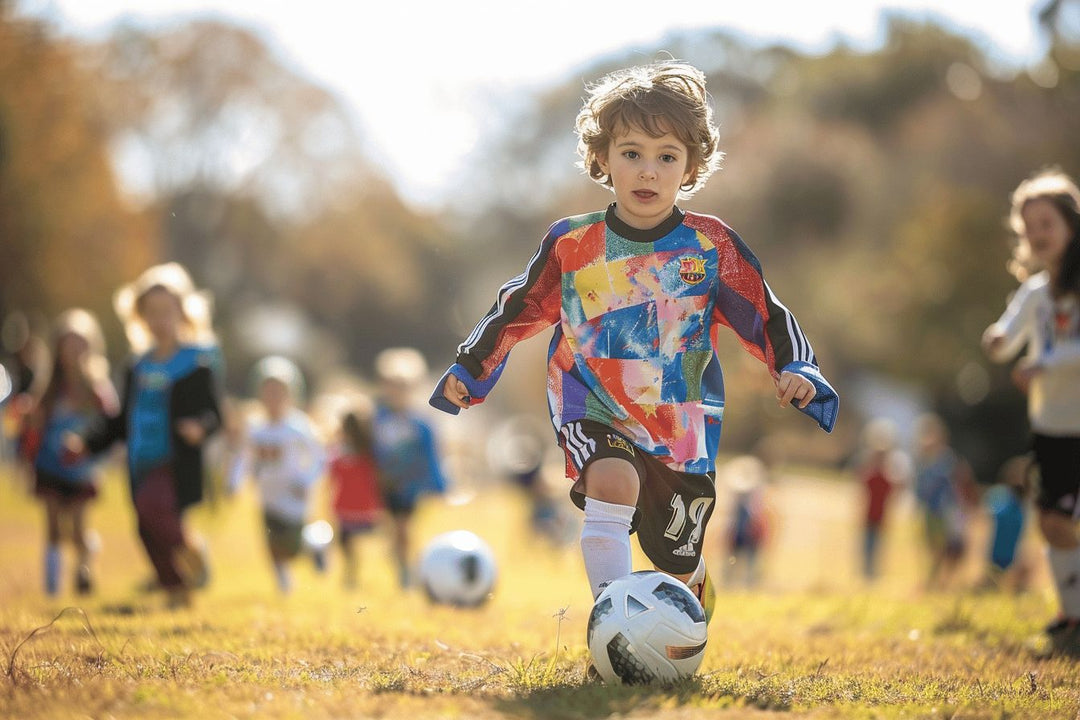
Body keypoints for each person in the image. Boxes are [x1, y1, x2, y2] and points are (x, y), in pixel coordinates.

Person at [430, 61, 838, 620]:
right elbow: (517, 307)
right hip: (590, 402)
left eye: (666, 156)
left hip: (679, 426)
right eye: (631, 153)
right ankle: (614, 623)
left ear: (691, 165)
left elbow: (765, 312)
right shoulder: (572, 244)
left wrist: (798, 368)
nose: (648, 171)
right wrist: (471, 368)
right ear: (602, 158)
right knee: (611, 480)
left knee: (676, 556)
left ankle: (689, 589)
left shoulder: (710, 246)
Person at [66, 263, 223, 609]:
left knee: (156, 508)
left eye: (167, 312)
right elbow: (119, 420)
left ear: (183, 312)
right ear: (139, 317)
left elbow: (215, 413)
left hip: (176, 459)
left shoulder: (196, 363)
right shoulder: (136, 367)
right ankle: (176, 588)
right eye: (151, 313)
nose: (160, 320)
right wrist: (87, 444)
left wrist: (201, 427)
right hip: (141, 460)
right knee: (144, 529)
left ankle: (192, 552)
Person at [982, 167, 1080, 655]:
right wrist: (998, 342)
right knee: (1052, 522)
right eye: (1030, 227)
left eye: (1048, 224)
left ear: (1071, 226)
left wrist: (1042, 363)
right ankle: (1071, 617)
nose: (1038, 235)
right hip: (1051, 427)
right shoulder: (1036, 292)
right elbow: (1009, 331)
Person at [20, 309, 118, 596]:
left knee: (76, 529)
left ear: (90, 347)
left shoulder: (97, 391)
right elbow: (33, 427)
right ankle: (51, 587)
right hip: (49, 466)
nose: (73, 351)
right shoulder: (48, 389)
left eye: (80, 344)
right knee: (52, 525)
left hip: (81, 470)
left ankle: (85, 561)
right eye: (67, 343)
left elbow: (109, 425)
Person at [228, 356, 326, 594]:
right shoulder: (255, 427)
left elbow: (318, 456)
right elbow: (244, 457)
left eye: (279, 392)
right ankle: (283, 580)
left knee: (292, 543)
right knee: (272, 543)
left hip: (293, 496)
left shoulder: (297, 426)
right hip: (267, 496)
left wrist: (306, 480)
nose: (273, 398)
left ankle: (316, 543)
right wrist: (234, 482)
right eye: (268, 392)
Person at [373, 347, 448, 589]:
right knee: (393, 529)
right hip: (385, 484)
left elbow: (431, 454)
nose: (397, 392)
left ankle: (406, 571)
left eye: (403, 386)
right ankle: (400, 563)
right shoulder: (378, 419)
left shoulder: (420, 424)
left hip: (410, 487)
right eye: (392, 385)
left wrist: (439, 483)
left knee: (404, 528)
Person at [912, 413, 976, 592]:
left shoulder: (946, 460)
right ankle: (934, 580)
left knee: (945, 547)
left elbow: (956, 486)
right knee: (931, 546)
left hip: (946, 511)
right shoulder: (922, 462)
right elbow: (919, 488)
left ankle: (937, 581)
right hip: (929, 511)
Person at [327, 407, 383, 590]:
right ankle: (351, 576)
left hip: (361, 508)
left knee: (354, 544)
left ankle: (355, 575)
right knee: (347, 545)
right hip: (349, 507)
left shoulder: (369, 452)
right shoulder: (341, 452)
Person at [854, 417, 912, 581]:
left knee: (876, 544)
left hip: (881, 516)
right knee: (868, 544)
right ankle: (867, 572)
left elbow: (900, 487)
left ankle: (872, 572)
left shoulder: (886, 477)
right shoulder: (873, 476)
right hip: (869, 514)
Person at [977, 454, 1033, 593]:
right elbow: (986, 516)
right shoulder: (1000, 496)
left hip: (1015, 554)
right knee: (990, 584)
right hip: (995, 552)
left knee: (1022, 577)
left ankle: (1017, 589)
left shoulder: (1025, 504)